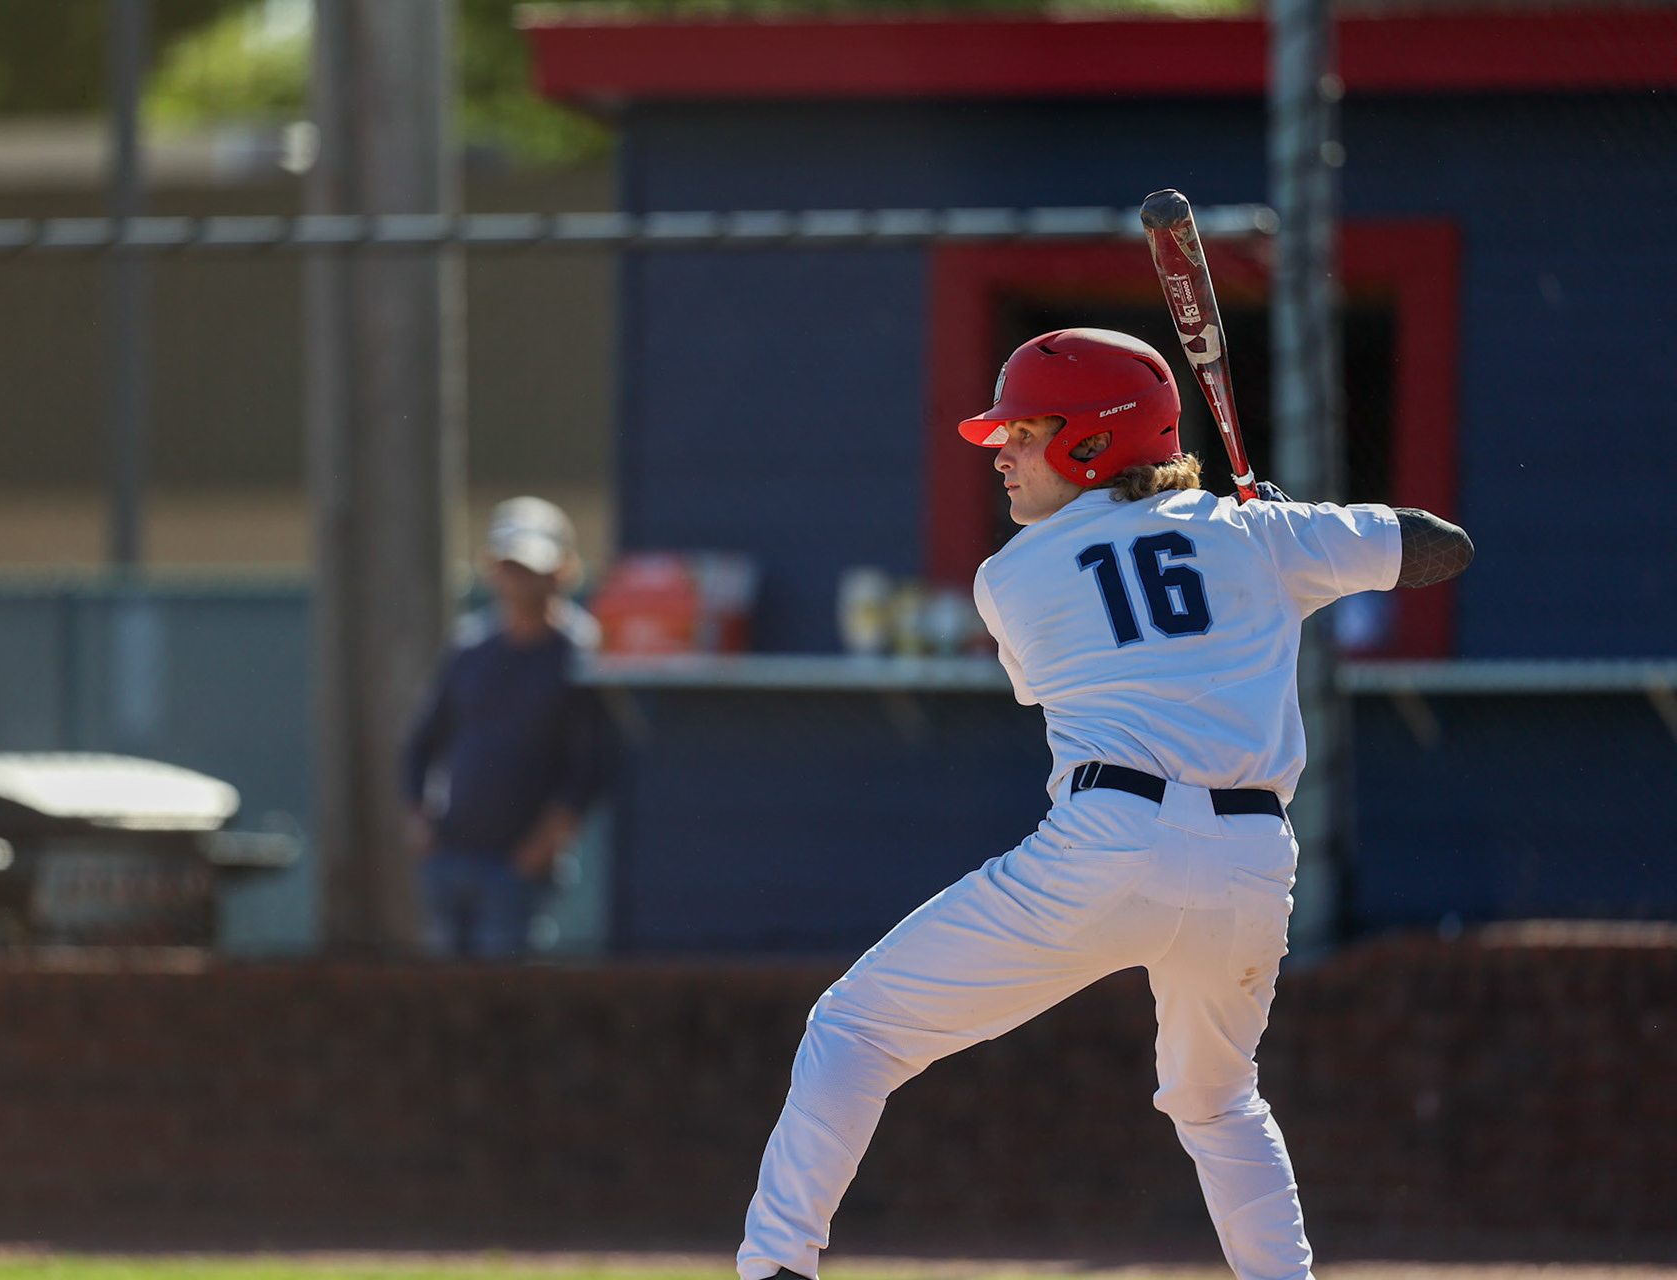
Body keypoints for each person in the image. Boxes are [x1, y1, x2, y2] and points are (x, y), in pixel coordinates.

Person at [736, 329, 1473, 1280]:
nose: (1000, 452)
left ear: (1090, 444)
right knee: (1217, 1101)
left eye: (1025, 432)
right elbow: (1438, 549)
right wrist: (1293, 531)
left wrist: (1256, 541)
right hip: (1253, 864)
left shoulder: (1011, 578)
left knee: (856, 1026)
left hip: (1107, 843)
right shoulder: (1260, 534)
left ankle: (775, 1267)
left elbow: (1117, 618)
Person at [404, 496, 608, 958]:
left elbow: (589, 767)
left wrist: (540, 849)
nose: (517, 579)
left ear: (562, 570)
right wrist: (421, 826)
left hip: (517, 872)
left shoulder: (582, 655)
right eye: (508, 566)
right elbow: (420, 742)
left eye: (530, 567)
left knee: (506, 1001)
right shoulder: (469, 649)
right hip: (449, 861)